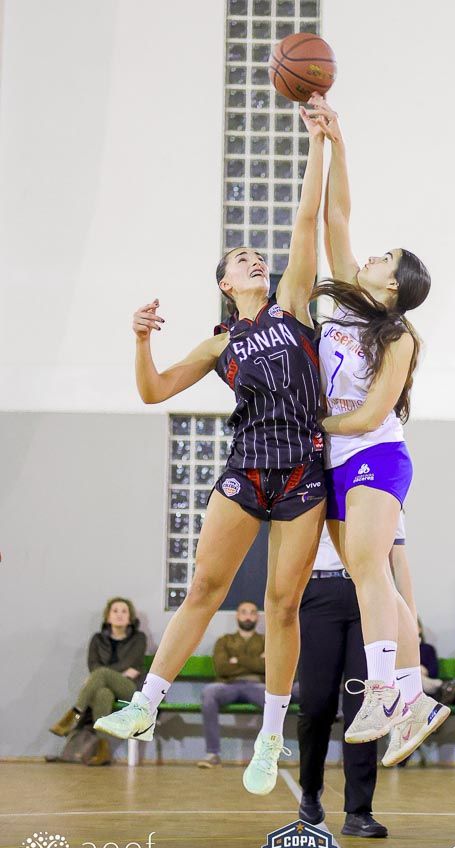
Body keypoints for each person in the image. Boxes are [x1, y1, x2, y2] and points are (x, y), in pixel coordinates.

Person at [94, 102, 328, 796]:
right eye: (239, 259)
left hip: (303, 473)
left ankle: (270, 740)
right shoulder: (220, 342)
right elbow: (154, 390)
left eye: (257, 255)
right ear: (226, 284)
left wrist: (318, 141)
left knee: (283, 605)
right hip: (246, 469)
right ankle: (146, 704)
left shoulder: (293, 306)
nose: (254, 258)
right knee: (204, 587)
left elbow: (306, 221)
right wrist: (141, 339)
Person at [305, 94, 449, 753]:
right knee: (379, 579)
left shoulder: (398, 336)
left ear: (395, 284)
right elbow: (336, 214)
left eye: (384, 257)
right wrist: (334, 140)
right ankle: (414, 699)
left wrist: (311, 424)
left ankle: (386, 688)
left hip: (375, 453)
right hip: (338, 459)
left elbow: (367, 414)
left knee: (367, 568)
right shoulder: (345, 300)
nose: (369, 257)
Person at [298, 529, 395, 838]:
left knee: (364, 706)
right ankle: (310, 788)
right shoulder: (310, 494)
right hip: (316, 590)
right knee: (316, 705)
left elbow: (396, 548)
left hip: (368, 591)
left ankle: (359, 810)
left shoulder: (381, 495)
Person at [50, 597, 146, 766]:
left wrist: (103, 674)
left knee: (101, 673)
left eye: (124, 611)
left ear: (130, 617)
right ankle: (103, 751)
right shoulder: (97, 639)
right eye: (115, 611)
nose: (119, 615)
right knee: (102, 694)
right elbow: (93, 665)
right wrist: (111, 674)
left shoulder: (139, 638)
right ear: (108, 616)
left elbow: (129, 662)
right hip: (106, 685)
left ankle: (74, 715)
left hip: (129, 688)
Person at [197, 601, 266, 768]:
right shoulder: (224, 640)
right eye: (244, 612)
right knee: (209, 693)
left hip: (257, 686)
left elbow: (269, 668)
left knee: (274, 700)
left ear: (257, 617)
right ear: (237, 616)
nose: (248, 616)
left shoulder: (266, 641)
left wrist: (237, 660)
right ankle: (213, 754)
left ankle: (266, 756)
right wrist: (256, 662)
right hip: (228, 685)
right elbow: (221, 668)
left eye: (252, 612)